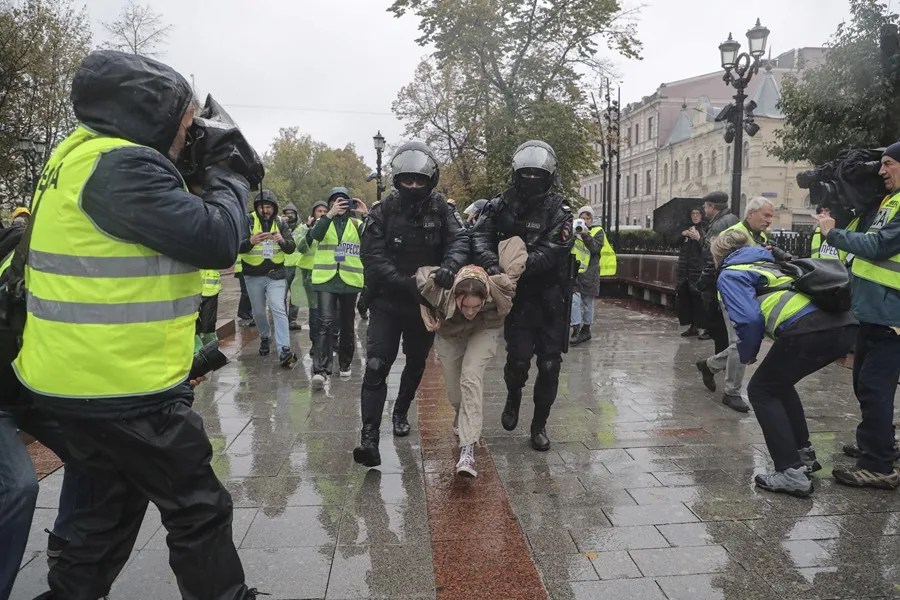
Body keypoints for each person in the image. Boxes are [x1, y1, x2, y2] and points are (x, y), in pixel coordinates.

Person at [12, 50, 261, 599]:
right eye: (188, 124)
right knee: (198, 508)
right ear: (152, 115)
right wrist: (232, 177)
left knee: (103, 513)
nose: (190, 136)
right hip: (125, 387)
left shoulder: (74, 155)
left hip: (74, 379)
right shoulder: (122, 165)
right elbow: (217, 239)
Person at [712, 229, 857, 496]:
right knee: (779, 384)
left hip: (808, 329)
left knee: (761, 390)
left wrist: (748, 353)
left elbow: (748, 319)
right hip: (842, 325)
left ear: (718, 255)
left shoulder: (731, 273)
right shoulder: (768, 264)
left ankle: (791, 472)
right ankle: (803, 454)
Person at [352, 141, 468, 467]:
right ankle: (369, 437)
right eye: (408, 180)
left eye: (420, 180)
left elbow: (460, 240)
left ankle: (401, 408)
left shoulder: (440, 209)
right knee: (377, 364)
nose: (414, 186)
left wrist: (450, 266)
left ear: (430, 180)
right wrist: (406, 285)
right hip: (388, 302)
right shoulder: (382, 211)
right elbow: (373, 257)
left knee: (416, 362)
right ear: (397, 180)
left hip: (425, 305)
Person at [471, 140, 574, 451]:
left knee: (550, 366)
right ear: (516, 173)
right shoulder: (500, 205)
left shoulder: (559, 209)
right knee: (517, 362)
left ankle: (539, 425)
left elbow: (554, 250)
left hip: (550, 297)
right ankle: (513, 394)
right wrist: (492, 265)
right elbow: (481, 236)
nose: (531, 180)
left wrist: (517, 268)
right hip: (517, 300)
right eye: (526, 174)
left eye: (537, 175)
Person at [814, 141, 900, 489]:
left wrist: (832, 232)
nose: (882, 171)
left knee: (875, 388)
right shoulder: (890, 201)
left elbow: (878, 246)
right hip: (873, 312)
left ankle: (879, 466)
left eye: (889, 164)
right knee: (864, 385)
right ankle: (877, 445)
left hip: (890, 316)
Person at [417, 238, 525, 477]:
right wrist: (424, 312)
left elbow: (515, 245)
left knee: (471, 377)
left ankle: (468, 451)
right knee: (456, 395)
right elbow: (420, 280)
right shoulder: (439, 289)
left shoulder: (500, 288)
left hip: (484, 329)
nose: (469, 311)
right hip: (449, 332)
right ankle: (462, 415)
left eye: (476, 306)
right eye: (465, 306)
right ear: (456, 296)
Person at [696, 196, 777, 413]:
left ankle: (709, 365)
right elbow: (719, 260)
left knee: (742, 341)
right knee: (741, 341)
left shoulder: (757, 235)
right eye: (766, 215)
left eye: (771, 216)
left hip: (750, 296)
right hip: (733, 296)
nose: (769, 220)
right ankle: (731, 392)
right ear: (751, 214)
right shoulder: (735, 234)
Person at [309, 187, 368, 389]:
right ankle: (321, 370)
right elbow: (313, 236)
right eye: (335, 201)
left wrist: (367, 214)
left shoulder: (357, 224)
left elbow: (376, 236)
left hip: (349, 280)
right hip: (326, 279)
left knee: (347, 324)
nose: (340, 204)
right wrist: (329, 215)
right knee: (325, 322)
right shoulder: (323, 222)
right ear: (330, 204)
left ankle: (344, 363)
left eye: (344, 201)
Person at [239, 189, 298, 367]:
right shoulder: (247, 221)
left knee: (278, 308)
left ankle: (284, 350)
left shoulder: (280, 222)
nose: (266, 211)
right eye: (263, 207)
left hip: (276, 274)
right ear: (257, 208)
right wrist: (251, 241)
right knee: (258, 311)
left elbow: (291, 247)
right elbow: (236, 246)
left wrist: (282, 240)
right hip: (253, 275)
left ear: (274, 208)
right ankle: (265, 336)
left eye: (269, 207)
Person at [569, 205, 615, 345]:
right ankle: (576, 329)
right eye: (582, 218)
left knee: (588, 304)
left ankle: (586, 330)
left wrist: (585, 234)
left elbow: (595, 248)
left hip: (590, 273)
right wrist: (572, 235)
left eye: (587, 218)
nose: (584, 221)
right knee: (574, 300)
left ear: (591, 219)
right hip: (575, 273)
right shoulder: (573, 230)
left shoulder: (598, 231)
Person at [675, 207, 707, 337]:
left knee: (700, 300)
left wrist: (699, 238)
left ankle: (704, 327)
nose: (695, 216)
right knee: (688, 299)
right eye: (692, 213)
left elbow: (708, 248)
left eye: (697, 213)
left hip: (698, 270)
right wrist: (683, 235)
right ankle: (692, 326)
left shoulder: (706, 228)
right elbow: (673, 243)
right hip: (685, 271)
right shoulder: (687, 229)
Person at [282, 202, 304, 329]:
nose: (289, 216)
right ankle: (283, 319)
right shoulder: (280, 226)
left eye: (292, 213)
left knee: (296, 295)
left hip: (298, 265)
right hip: (283, 265)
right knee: (281, 295)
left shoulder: (302, 228)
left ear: (296, 214)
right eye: (287, 213)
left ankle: (292, 320)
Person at [196, 269, 221, 351]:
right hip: (189, 290)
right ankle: (197, 353)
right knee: (192, 325)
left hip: (210, 290)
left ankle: (212, 351)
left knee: (208, 326)